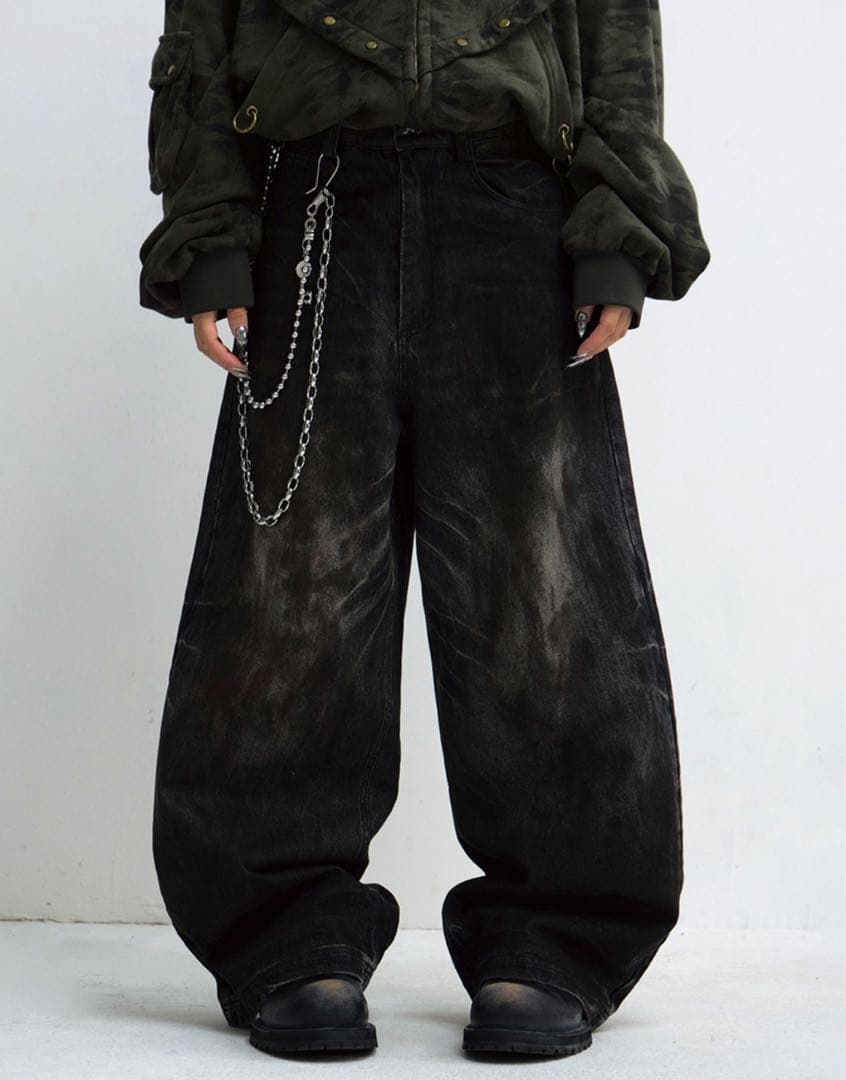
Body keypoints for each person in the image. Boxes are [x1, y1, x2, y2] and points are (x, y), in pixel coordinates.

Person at [139, 0, 710, 1060]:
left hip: (517, 212)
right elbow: (201, 36)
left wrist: (620, 230)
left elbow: (617, 34)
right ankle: (286, 931)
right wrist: (210, 231)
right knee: (292, 591)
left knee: (543, 591)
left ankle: (556, 932)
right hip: (309, 205)